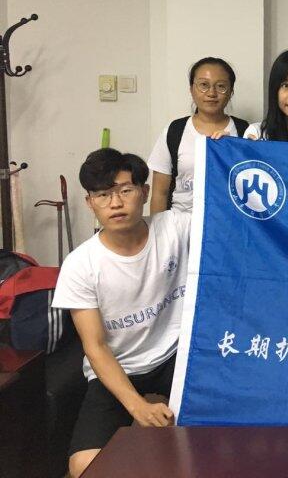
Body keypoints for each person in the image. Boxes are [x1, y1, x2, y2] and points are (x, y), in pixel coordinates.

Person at [52, 149, 191, 478]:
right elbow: (96, 347)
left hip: (175, 354)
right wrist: (137, 406)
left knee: (220, 432)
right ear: (90, 203)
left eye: (125, 190)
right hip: (118, 366)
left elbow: (229, 213)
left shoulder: (176, 227)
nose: (115, 203)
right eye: (103, 195)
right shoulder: (80, 265)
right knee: (84, 465)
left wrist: (228, 152)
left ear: (144, 192)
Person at [148, 57, 248, 213]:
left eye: (221, 86)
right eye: (203, 85)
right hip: (181, 222)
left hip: (228, 222)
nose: (211, 93)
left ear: (231, 92)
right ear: (191, 89)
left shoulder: (245, 131)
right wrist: (158, 228)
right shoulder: (175, 130)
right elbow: (160, 194)